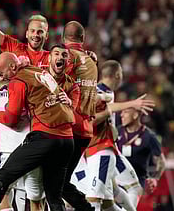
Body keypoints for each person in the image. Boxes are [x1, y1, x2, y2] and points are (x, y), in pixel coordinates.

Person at [0, 52, 76, 211]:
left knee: (5, 178)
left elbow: (10, 119)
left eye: (1, 73)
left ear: (13, 67)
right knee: (52, 197)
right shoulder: (39, 72)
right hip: (64, 139)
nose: (1, 77)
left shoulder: (18, 81)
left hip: (39, 141)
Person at [73, 60, 155, 211]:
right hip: (98, 149)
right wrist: (131, 104)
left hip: (107, 147)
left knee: (116, 194)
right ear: (118, 75)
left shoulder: (107, 92)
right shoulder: (99, 93)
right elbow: (92, 120)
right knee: (98, 198)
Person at [61, 21, 100, 211]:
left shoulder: (67, 58)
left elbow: (59, 81)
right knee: (61, 181)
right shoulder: (92, 61)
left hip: (69, 127)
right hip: (85, 129)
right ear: (83, 39)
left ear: (62, 38)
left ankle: (87, 208)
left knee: (54, 181)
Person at [117, 107, 166, 193]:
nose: (121, 115)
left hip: (137, 184)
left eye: (126, 112)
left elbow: (161, 161)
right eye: (122, 112)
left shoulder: (148, 136)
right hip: (117, 182)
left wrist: (155, 178)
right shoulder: (116, 132)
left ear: (135, 115)